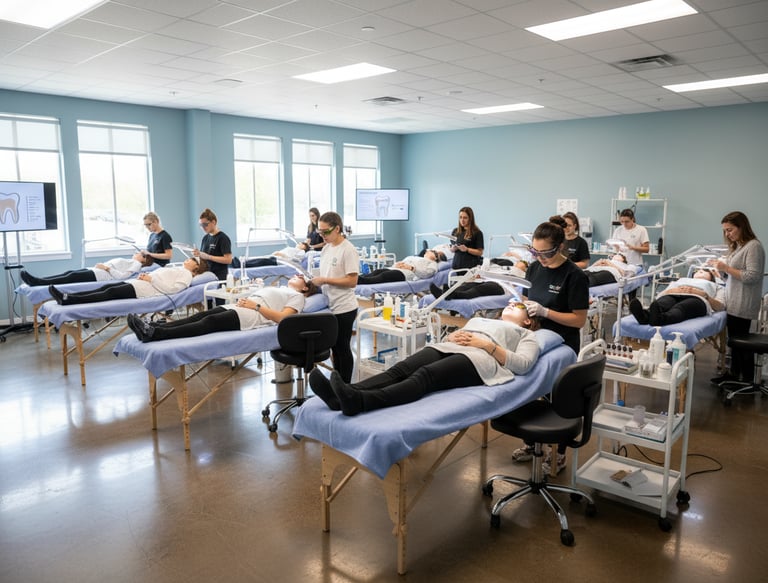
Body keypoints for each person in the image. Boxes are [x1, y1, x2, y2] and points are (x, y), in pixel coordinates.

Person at [308, 301, 540, 416]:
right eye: (509, 303)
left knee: (424, 376)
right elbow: (458, 336)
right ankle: (342, 396)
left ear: (528, 320)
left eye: (518, 305)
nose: (511, 303)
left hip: (480, 358)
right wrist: (453, 336)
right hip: (450, 346)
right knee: (400, 369)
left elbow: (523, 365)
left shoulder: (526, 334)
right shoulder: (481, 320)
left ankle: (360, 402)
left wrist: (487, 345)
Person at [516, 220, 589, 475]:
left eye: (545, 253)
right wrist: (521, 309)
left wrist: (546, 311)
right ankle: (531, 444)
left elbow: (579, 320)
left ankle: (558, 454)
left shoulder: (575, 276)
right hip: (535, 338)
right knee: (526, 389)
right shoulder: (534, 268)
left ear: (559, 247)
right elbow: (525, 299)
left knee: (555, 398)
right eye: (535, 252)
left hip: (562, 343)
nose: (540, 258)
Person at [126, 274, 319, 342]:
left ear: (305, 288)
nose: (296, 275)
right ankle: (153, 328)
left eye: (300, 277)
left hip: (252, 315)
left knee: (209, 322)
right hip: (242, 306)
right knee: (201, 316)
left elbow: (283, 319)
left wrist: (256, 306)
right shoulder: (283, 288)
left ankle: (156, 335)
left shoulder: (297, 297)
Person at [709, 211, 766, 384]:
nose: (727, 234)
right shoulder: (739, 247)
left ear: (742, 227)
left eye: (730, 230)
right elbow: (732, 277)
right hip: (733, 302)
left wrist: (726, 268)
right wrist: (720, 271)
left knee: (741, 346)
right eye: (725, 231)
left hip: (743, 304)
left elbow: (752, 276)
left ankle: (745, 381)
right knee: (735, 344)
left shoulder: (753, 246)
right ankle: (734, 375)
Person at [310, 211, 359, 383]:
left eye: (326, 232)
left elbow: (352, 281)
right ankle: (338, 384)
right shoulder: (326, 248)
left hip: (345, 308)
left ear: (337, 229)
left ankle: (345, 387)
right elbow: (326, 274)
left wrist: (324, 280)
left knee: (342, 347)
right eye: (320, 232)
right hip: (329, 306)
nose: (322, 235)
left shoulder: (348, 250)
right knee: (334, 349)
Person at [47, 257, 208, 305]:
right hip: (138, 284)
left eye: (193, 259)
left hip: (144, 291)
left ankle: (69, 300)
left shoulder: (187, 275)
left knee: (109, 292)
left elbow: (172, 290)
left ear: (197, 267)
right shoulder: (179, 269)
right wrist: (146, 277)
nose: (188, 259)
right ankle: (67, 296)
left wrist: (150, 278)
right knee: (105, 288)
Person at [629, 268, 725, 326]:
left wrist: (703, 294)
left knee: (680, 308)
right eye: (698, 271)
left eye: (704, 271)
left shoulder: (716, 286)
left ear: (711, 277)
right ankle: (644, 316)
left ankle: (661, 319)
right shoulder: (682, 280)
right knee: (662, 303)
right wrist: (672, 291)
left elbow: (720, 306)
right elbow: (660, 295)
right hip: (674, 294)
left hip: (698, 298)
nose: (700, 270)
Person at [20, 252, 153, 286]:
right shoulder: (133, 261)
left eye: (139, 253)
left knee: (70, 277)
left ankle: (37, 282)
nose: (135, 253)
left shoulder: (136, 265)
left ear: (143, 258)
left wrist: (106, 267)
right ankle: (38, 280)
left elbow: (122, 277)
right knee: (70, 273)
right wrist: (103, 266)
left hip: (100, 276)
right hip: (97, 271)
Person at [429, 259, 528, 300]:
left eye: (523, 264)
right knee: (467, 285)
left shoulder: (523, 274)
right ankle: (444, 293)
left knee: (478, 289)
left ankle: (453, 295)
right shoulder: (506, 266)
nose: (519, 264)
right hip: (487, 279)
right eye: (519, 262)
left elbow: (520, 284)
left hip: (501, 285)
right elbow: (490, 264)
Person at [358, 250, 446, 285]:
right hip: (396, 269)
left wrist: (412, 268)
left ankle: (362, 281)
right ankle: (359, 278)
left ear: (436, 257)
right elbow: (400, 262)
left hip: (405, 274)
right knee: (378, 271)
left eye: (432, 251)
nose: (428, 250)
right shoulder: (414, 257)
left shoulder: (432, 264)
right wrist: (396, 265)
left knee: (385, 275)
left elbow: (427, 274)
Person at [194, 208, 232, 282]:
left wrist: (209, 257)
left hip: (219, 277)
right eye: (201, 225)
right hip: (207, 276)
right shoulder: (205, 238)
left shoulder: (223, 238)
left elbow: (228, 260)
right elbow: (203, 258)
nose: (203, 227)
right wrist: (198, 255)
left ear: (213, 222)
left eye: (205, 224)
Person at [450, 206, 484, 272]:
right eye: (460, 217)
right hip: (456, 267)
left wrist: (467, 249)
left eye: (465, 218)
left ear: (470, 219)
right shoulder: (455, 231)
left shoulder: (477, 233)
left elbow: (480, 252)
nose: (462, 220)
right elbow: (451, 248)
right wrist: (452, 249)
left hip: (470, 268)